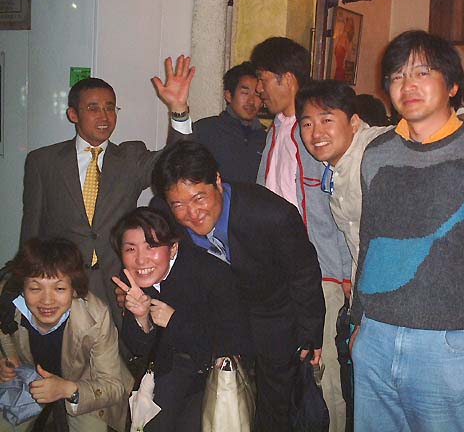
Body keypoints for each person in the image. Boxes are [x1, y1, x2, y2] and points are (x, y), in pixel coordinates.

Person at [349, 30, 464, 431]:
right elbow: (369, 242)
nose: (408, 85)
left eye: (422, 73)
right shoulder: (377, 153)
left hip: (448, 346)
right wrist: (359, 321)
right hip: (376, 338)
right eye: (397, 76)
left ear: (452, 86)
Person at [150, 140, 325, 432]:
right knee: (216, 398)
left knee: (276, 403)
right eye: (178, 204)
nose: (192, 213)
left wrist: (310, 334)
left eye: (199, 198)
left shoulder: (271, 214)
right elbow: (146, 251)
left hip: (272, 312)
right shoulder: (164, 217)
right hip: (216, 314)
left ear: (217, 181)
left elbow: (303, 273)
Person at [20, 62, 195, 325]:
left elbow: (177, 162)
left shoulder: (130, 158)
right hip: (60, 284)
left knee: (119, 349)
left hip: (117, 286)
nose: (104, 116)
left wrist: (178, 110)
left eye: (110, 107)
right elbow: (31, 229)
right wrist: (23, 283)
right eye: (93, 108)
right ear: (73, 114)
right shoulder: (43, 162)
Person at [296, 79, 464, 284]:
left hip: (418, 288)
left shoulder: (380, 146)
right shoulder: (332, 167)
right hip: (371, 291)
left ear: (354, 122)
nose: (316, 133)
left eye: (326, 120)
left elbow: (447, 122)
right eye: (307, 124)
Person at [251, 37, 352, 432]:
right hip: (277, 276)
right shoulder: (275, 130)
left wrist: (344, 277)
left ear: (287, 79)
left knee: (325, 377)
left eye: (263, 80)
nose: (259, 90)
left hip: (320, 276)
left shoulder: (317, 134)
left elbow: (339, 210)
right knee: (284, 375)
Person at [111, 207, 243, 432]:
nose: (140, 259)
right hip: (167, 373)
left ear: (173, 248)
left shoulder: (212, 274)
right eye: (131, 249)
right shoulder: (133, 279)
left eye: (151, 246)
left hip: (212, 377)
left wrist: (174, 321)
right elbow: (139, 349)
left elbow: (234, 344)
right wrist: (141, 318)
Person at [0, 238, 133, 432]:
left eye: (59, 288)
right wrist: (5, 362)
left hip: (85, 383)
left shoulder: (96, 316)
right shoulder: (6, 302)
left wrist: (66, 389)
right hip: (28, 377)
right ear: (22, 288)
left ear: (74, 289)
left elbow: (113, 386)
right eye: (35, 288)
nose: (47, 300)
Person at [154, 61, 266, 183]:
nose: (251, 101)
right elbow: (174, 163)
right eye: (245, 93)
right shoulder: (206, 130)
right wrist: (178, 109)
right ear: (228, 95)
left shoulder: (266, 139)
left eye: (257, 95)